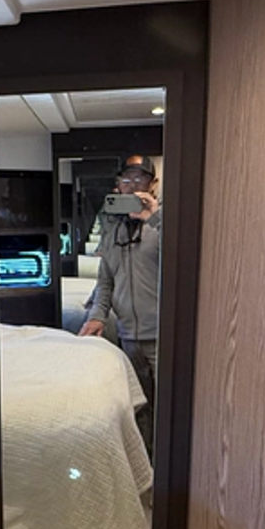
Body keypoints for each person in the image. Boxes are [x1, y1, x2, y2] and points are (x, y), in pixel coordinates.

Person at [79, 155, 161, 449]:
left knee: (168, 407)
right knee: (139, 407)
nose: (132, 185)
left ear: (153, 184)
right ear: (118, 185)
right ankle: (147, 463)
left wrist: (154, 217)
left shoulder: (163, 223)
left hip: (162, 336)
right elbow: (106, 280)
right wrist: (97, 316)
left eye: (139, 179)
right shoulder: (113, 231)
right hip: (128, 337)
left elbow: (182, 260)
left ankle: (169, 464)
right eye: (126, 179)